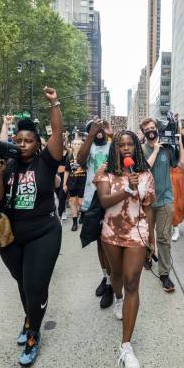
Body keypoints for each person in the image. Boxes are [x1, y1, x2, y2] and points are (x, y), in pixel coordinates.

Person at [0, 86, 63, 367]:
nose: (21, 144)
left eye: (28, 140)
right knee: (21, 282)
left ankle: (33, 334)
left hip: (44, 232)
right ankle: (30, 316)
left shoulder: (46, 162)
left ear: (37, 144)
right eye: (18, 140)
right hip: (10, 235)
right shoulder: (6, 165)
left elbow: (57, 134)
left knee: (35, 285)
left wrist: (54, 104)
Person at [94, 130, 155, 368]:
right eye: (122, 145)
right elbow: (104, 201)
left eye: (130, 144)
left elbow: (149, 207)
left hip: (136, 232)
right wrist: (127, 190)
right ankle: (117, 298)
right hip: (111, 233)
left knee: (132, 283)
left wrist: (151, 239)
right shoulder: (105, 170)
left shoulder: (146, 175)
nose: (127, 148)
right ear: (115, 148)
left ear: (136, 148)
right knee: (117, 276)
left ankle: (126, 347)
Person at [76, 118, 114, 307]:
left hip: (112, 200)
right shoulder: (89, 147)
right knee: (99, 241)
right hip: (93, 202)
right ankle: (106, 278)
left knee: (109, 243)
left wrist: (110, 133)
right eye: (94, 128)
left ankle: (112, 283)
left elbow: (124, 154)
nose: (98, 130)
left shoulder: (112, 145)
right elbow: (79, 160)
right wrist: (91, 134)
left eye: (101, 127)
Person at [140, 118, 179, 292]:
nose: (151, 130)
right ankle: (148, 255)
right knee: (148, 235)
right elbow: (143, 169)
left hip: (165, 200)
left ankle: (164, 274)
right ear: (143, 132)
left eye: (153, 127)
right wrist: (155, 150)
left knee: (164, 237)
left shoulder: (167, 148)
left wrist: (180, 143)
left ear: (157, 129)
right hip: (147, 202)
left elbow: (179, 164)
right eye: (147, 128)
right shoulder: (140, 150)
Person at [170, 118, 184, 242]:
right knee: (173, 205)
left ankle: (176, 227)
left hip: (182, 181)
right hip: (170, 180)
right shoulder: (167, 151)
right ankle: (175, 228)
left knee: (180, 205)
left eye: (179, 139)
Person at [63, 138, 87, 231]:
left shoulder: (85, 156)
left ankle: (83, 213)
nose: (77, 145)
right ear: (71, 145)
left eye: (79, 144)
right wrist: (64, 184)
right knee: (73, 202)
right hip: (72, 182)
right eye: (75, 144)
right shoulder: (69, 157)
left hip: (83, 182)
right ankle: (74, 222)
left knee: (81, 202)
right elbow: (67, 171)